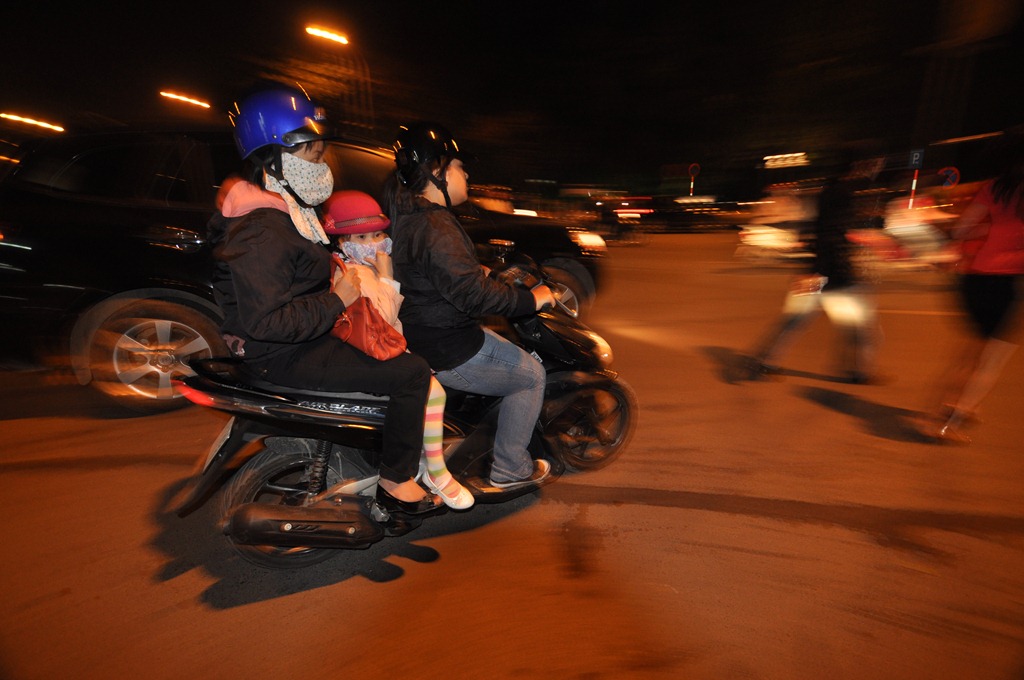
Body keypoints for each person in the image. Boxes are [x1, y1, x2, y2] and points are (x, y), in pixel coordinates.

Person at [207, 86, 441, 515]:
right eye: (311, 157)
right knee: (411, 372)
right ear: (273, 159)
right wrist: (337, 299)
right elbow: (267, 321)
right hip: (281, 353)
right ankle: (396, 480)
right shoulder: (263, 229)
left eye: (321, 155)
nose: (321, 167)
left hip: (301, 338)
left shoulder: (287, 212)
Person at [381, 121, 556, 490]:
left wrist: (478, 271)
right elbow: (474, 297)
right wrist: (532, 299)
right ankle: (511, 468)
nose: (466, 174)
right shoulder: (436, 225)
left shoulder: (409, 215)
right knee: (531, 377)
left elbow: (434, 274)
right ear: (437, 171)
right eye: (459, 166)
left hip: (421, 331)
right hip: (448, 345)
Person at [322, 189, 474, 509]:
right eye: (361, 237)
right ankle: (435, 471)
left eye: (377, 234)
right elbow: (385, 319)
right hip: (370, 354)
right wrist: (388, 277)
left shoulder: (353, 267)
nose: (373, 242)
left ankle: (421, 460)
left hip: (368, 350)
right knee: (434, 393)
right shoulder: (358, 274)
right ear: (342, 242)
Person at [743, 151, 886, 384]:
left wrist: (811, 268)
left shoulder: (824, 193)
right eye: (872, 165)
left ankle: (764, 362)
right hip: (833, 275)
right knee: (862, 325)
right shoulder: (845, 194)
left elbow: (813, 232)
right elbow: (834, 235)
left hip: (815, 271)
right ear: (858, 167)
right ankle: (859, 371)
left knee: (795, 320)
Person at [920, 132, 1024, 444]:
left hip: (976, 279)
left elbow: (962, 229)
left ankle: (954, 407)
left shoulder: (993, 188)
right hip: (1006, 281)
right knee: (989, 358)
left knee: (972, 352)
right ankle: (945, 420)